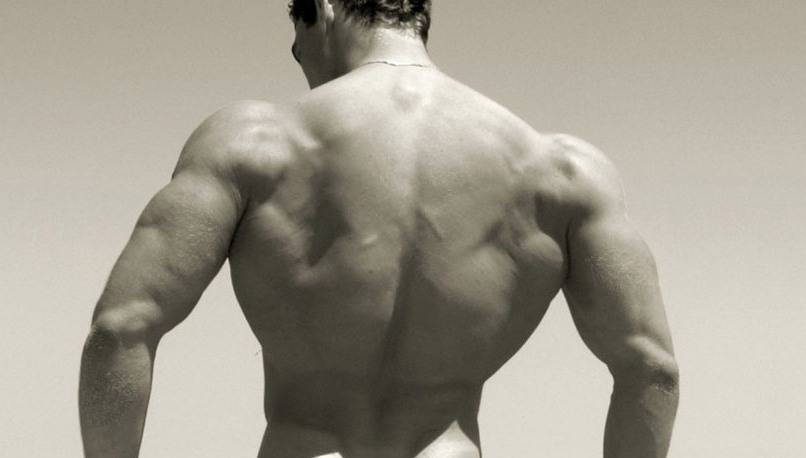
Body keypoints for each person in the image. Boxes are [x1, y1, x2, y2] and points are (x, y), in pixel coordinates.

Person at [79, 1, 679, 457]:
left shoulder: (252, 142)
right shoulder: (560, 170)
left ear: (324, 10)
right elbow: (651, 368)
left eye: (297, 49)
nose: (306, 72)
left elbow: (121, 326)